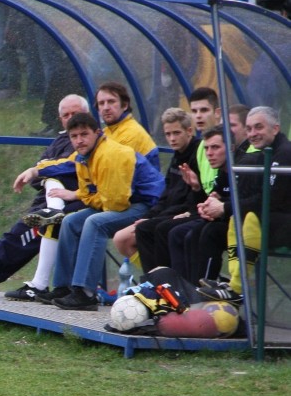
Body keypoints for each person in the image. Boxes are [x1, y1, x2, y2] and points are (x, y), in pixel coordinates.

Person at [0, 95, 90, 297]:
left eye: (76, 113)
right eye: (66, 115)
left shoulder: (85, 141)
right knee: (17, 237)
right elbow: (38, 174)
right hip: (47, 202)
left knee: (19, 236)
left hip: (72, 203)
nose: (71, 118)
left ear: (87, 115)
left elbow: (69, 169)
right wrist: (47, 175)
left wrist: (48, 173)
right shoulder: (61, 140)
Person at [34, 113, 164, 310]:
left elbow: (115, 204)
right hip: (123, 202)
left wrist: (92, 197)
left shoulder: (109, 154)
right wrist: (92, 196)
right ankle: (64, 287)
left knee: (95, 223)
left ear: (97, 133)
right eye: (74, 136)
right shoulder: (82, 157)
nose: (79, 140)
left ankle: (85, 293)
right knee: (70, 222)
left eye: (84, 134)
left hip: (146, 205)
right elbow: (88, 195)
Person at [200, 107, 291, 304]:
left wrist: (224, 207)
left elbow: (269, 199)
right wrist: (221, 204)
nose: (252, 134)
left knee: (250, 217)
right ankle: (232, 284)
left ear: (275, 128)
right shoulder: (265, 154)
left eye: (258, 127)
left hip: (284, 222)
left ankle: (237, 288)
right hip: (277, 219)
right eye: (249, 129)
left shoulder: (284, 153)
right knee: (233, 219)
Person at [114, 108, 200, 263]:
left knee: (144, 231)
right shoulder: (177, 155)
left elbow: (189, 199)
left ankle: (161, 279)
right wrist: (148, 216)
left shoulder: (197, 154)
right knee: (121, 239)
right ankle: (155, 277)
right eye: (168, 134)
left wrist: (154, 218)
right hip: (167, 213)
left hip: (186, 213)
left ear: (189, 131)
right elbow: (166, 194)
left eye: (176, 133)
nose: (172, 139)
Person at [167, 126, 231, 284]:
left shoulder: (242, 166)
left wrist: (219, 206)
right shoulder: (222, 171)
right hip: (217, 218)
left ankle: (201, 289)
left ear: (231, 147)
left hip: (237, 222)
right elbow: (211, 197)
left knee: (199, 233)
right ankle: (180, 291)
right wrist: (199, 194)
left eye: (215, 147)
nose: (209, 153)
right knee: (175, 232)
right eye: (207, 148)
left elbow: (245, 201)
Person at [23, 0, 71, 132]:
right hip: (33, 19)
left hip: (48, 19)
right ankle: (50, 117)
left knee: (53, 68)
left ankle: (56, 120)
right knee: (43, 65)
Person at [94, 80, 160, 170]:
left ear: (125, 105)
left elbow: (109, 167)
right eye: (101, 103)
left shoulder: (132, 133)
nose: (106, 108)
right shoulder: (107, 131)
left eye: (111, 101)